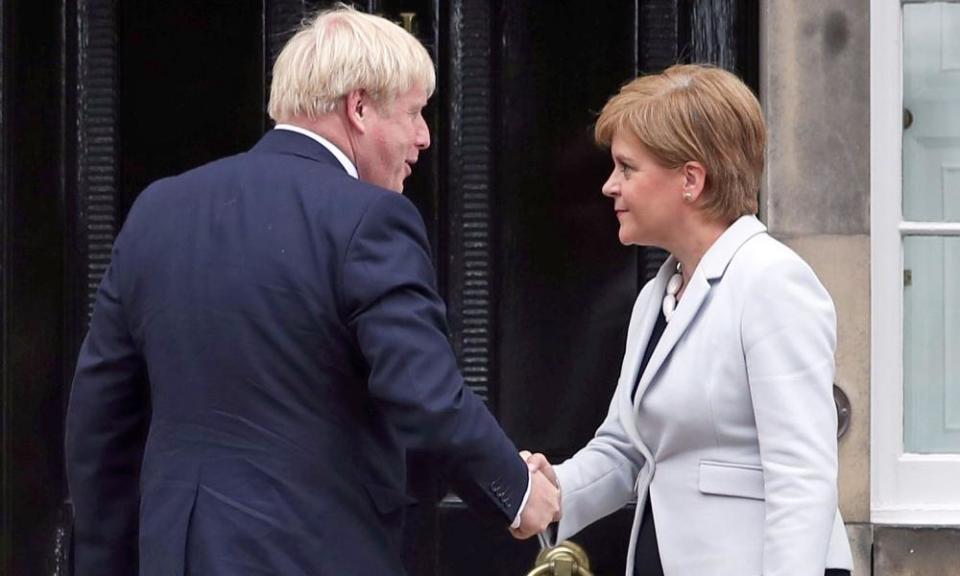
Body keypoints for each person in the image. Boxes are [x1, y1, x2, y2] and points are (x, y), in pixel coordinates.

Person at [65, 6, 558, 575]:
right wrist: (519, 491)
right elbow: (424, 397)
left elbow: (100, 416)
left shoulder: (160, 209)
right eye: (415, 113)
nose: (424, 137)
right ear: (360, 107)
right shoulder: (370, 219)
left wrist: (108, 559)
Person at [522, 64, 854, 575]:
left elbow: (802, 476)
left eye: (627, 168)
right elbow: (626, 448)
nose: (609, 186)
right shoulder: (657, 296)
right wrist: (554, 490)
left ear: (691, 180)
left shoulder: (772, 281)